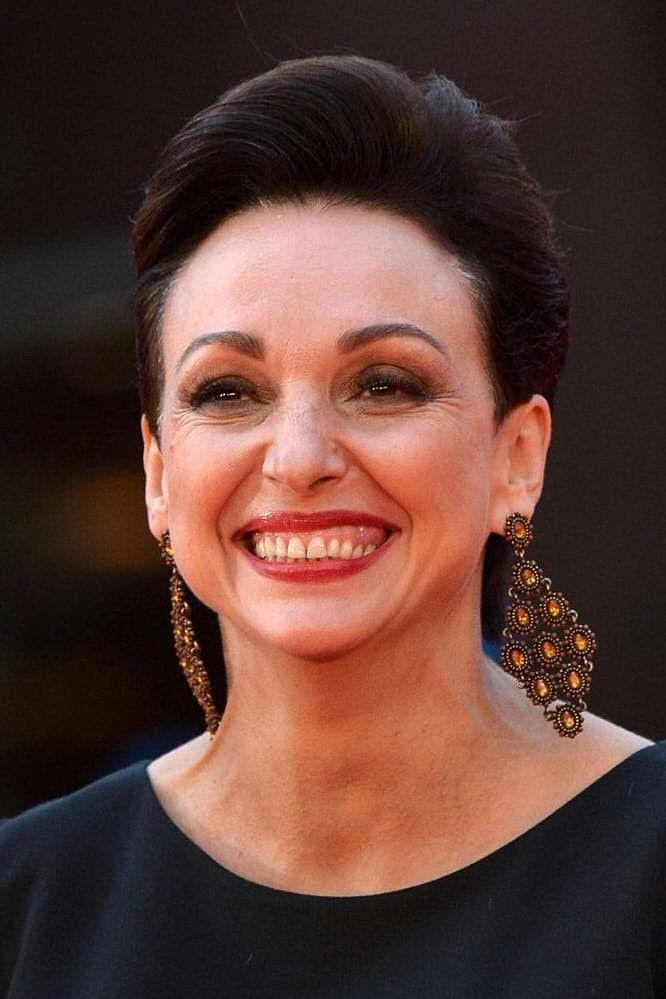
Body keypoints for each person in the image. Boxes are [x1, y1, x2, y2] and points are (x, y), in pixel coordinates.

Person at [1, 55, 664, 998]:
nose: (299, 456)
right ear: (158, 472)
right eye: (228, 392)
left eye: (384, 384)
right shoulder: (31, 905)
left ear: (517, 456)